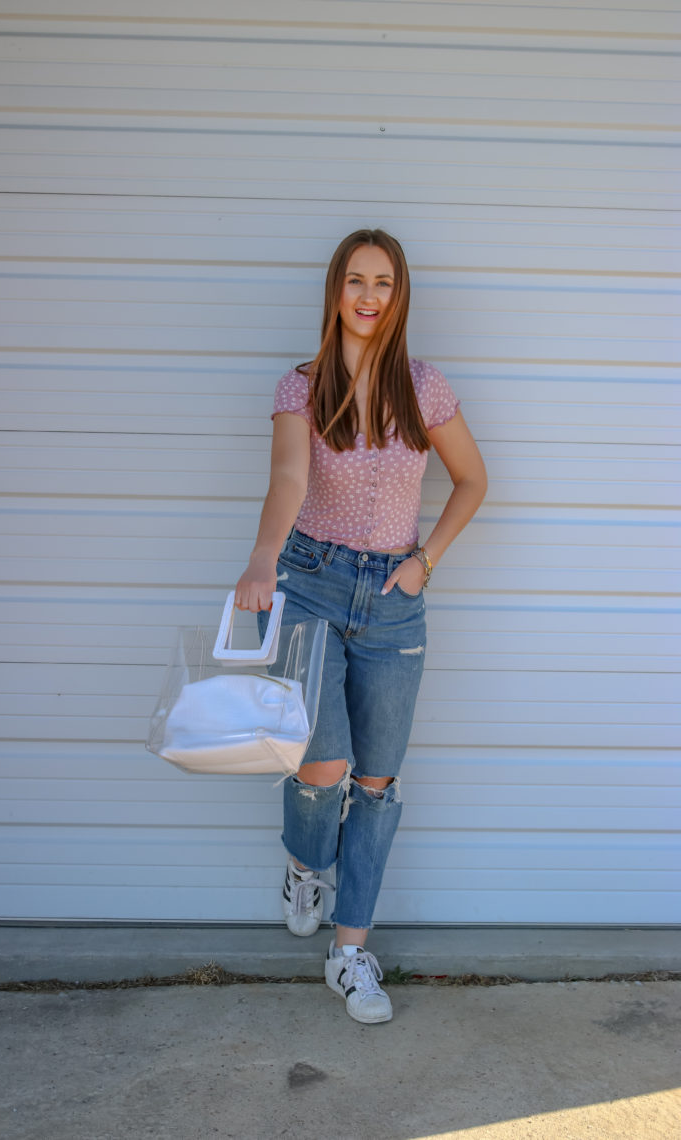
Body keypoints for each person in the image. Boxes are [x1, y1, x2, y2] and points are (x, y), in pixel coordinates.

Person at [234, 229, 487, 1024]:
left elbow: (473, 481)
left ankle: (349, 956)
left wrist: (426, 561)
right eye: (355, 280)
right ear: (335, 290)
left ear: (399, 293)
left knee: (376, 785)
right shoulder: (300, 387)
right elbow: (287, 478)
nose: (369, 296)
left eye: (383, 282)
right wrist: (262, 560)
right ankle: (307, 862)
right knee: (324, 764)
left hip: (395, 598)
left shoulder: (425, 387)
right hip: (309, 581)